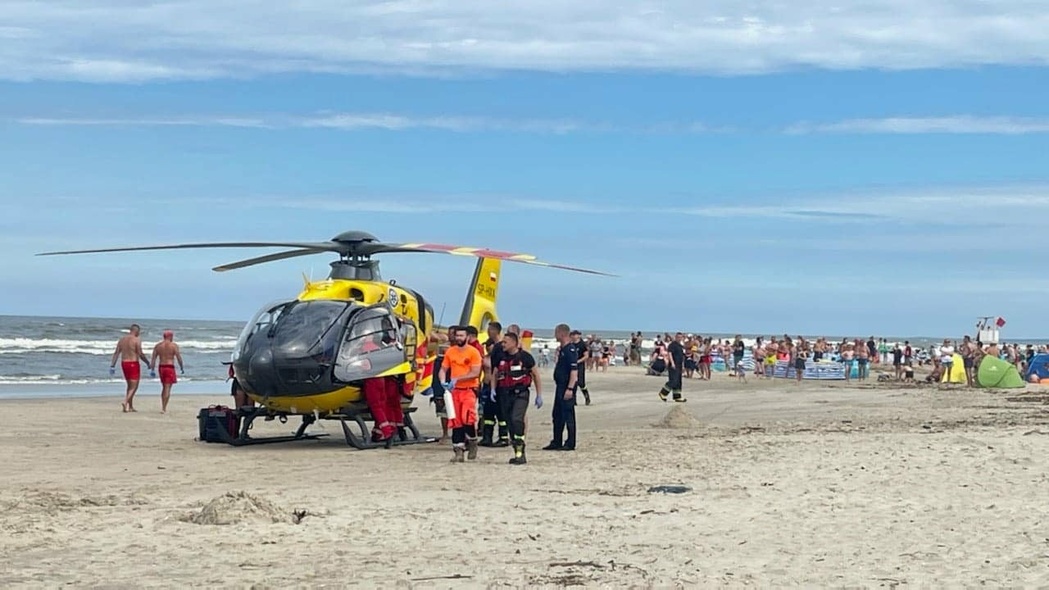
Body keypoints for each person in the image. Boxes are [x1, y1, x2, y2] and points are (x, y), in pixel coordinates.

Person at [494, 331, 542, 464]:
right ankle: (517, 452)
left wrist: (539, 395)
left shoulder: (525, 357)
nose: (503, 344)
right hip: (505, 394)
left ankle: (521, 450)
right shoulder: (501, 357)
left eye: (506, 342)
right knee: (510, 423)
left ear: (514, 343)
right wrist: (493, 389)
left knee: (517, 419)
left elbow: (536, 375)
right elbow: (495, 373)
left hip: (521, 393)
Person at [438, 326, 483, 463]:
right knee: (455, 420)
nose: (459, 338)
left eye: (461, 336)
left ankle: (472, 441)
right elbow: (443, 369)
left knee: (467, 417)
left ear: (467, 337)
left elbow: (475, 372)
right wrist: (442, 381)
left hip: (469, 389)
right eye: (457, 336)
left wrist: (458, 379)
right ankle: (458, 451)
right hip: (454, 391)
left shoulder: (473, 352)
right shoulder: (450, 352)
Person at [544, 323, 578, 451]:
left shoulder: (570, 350)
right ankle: (556, 440)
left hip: (566, 387)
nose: (554, 335)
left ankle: (570, 442)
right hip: (560, 386)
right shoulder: (563, 349)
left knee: (568, 415)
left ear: (562, 333)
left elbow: (574, 372)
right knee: (557, 414)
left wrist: (570, 389)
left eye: (556, 332)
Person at [480, 321, 509, 447]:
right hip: (489, 384)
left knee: (501, 412)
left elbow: (498, 368)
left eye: (489, 329)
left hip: (499, 385)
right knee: (488, 412)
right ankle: (487, 437)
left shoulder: (501, 347)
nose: (488, 332)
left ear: (495, 331)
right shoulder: (496, 348)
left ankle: (504, 437)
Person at [110, 324, 150, 413]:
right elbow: (140, 353)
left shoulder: (122, 340)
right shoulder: (136, 340)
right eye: (139, 331)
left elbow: (116, 353)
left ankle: (130, 406)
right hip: (133, 363)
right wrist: (147, 362)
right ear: (136, 331)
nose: (139, 333)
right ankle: (125, 401)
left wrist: (112, 365)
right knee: (134, 386)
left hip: (124, 363)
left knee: (129, 385)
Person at [149, 330, 184, 414]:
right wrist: (181, 367)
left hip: (161, 367)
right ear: (170, 336)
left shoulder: (158, 346)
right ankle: (164, 408)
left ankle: (163, 406)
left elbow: (153, 358)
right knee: (167, 388)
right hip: (169, 367)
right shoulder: (173, 346)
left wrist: (152, 369)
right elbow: (178, 357)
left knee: (164, 387)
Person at [658, 332, 687, 402]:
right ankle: (663, 393)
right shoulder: (672, 345)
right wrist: (672, 363)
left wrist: (683, 366)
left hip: (679, 365)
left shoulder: (680, 346)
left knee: (678, 382)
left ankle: (677, 397)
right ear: (675, 337)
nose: (679, 338)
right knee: (673, 381)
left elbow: (682, 356)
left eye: (681, 337)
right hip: (673, 365)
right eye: (678, 337)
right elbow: (670, 353)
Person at [570, 330, 592, 405]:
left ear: (578, 336)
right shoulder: (571, 344)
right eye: (572, 335)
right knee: (573, 382)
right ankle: (573, 400)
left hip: (580, 366)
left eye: (574, 335)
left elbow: (586, 356)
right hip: (572, 366)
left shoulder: (582, 345)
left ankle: (587, 396)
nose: (573, 336)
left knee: (581, 383)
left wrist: (578, 361)